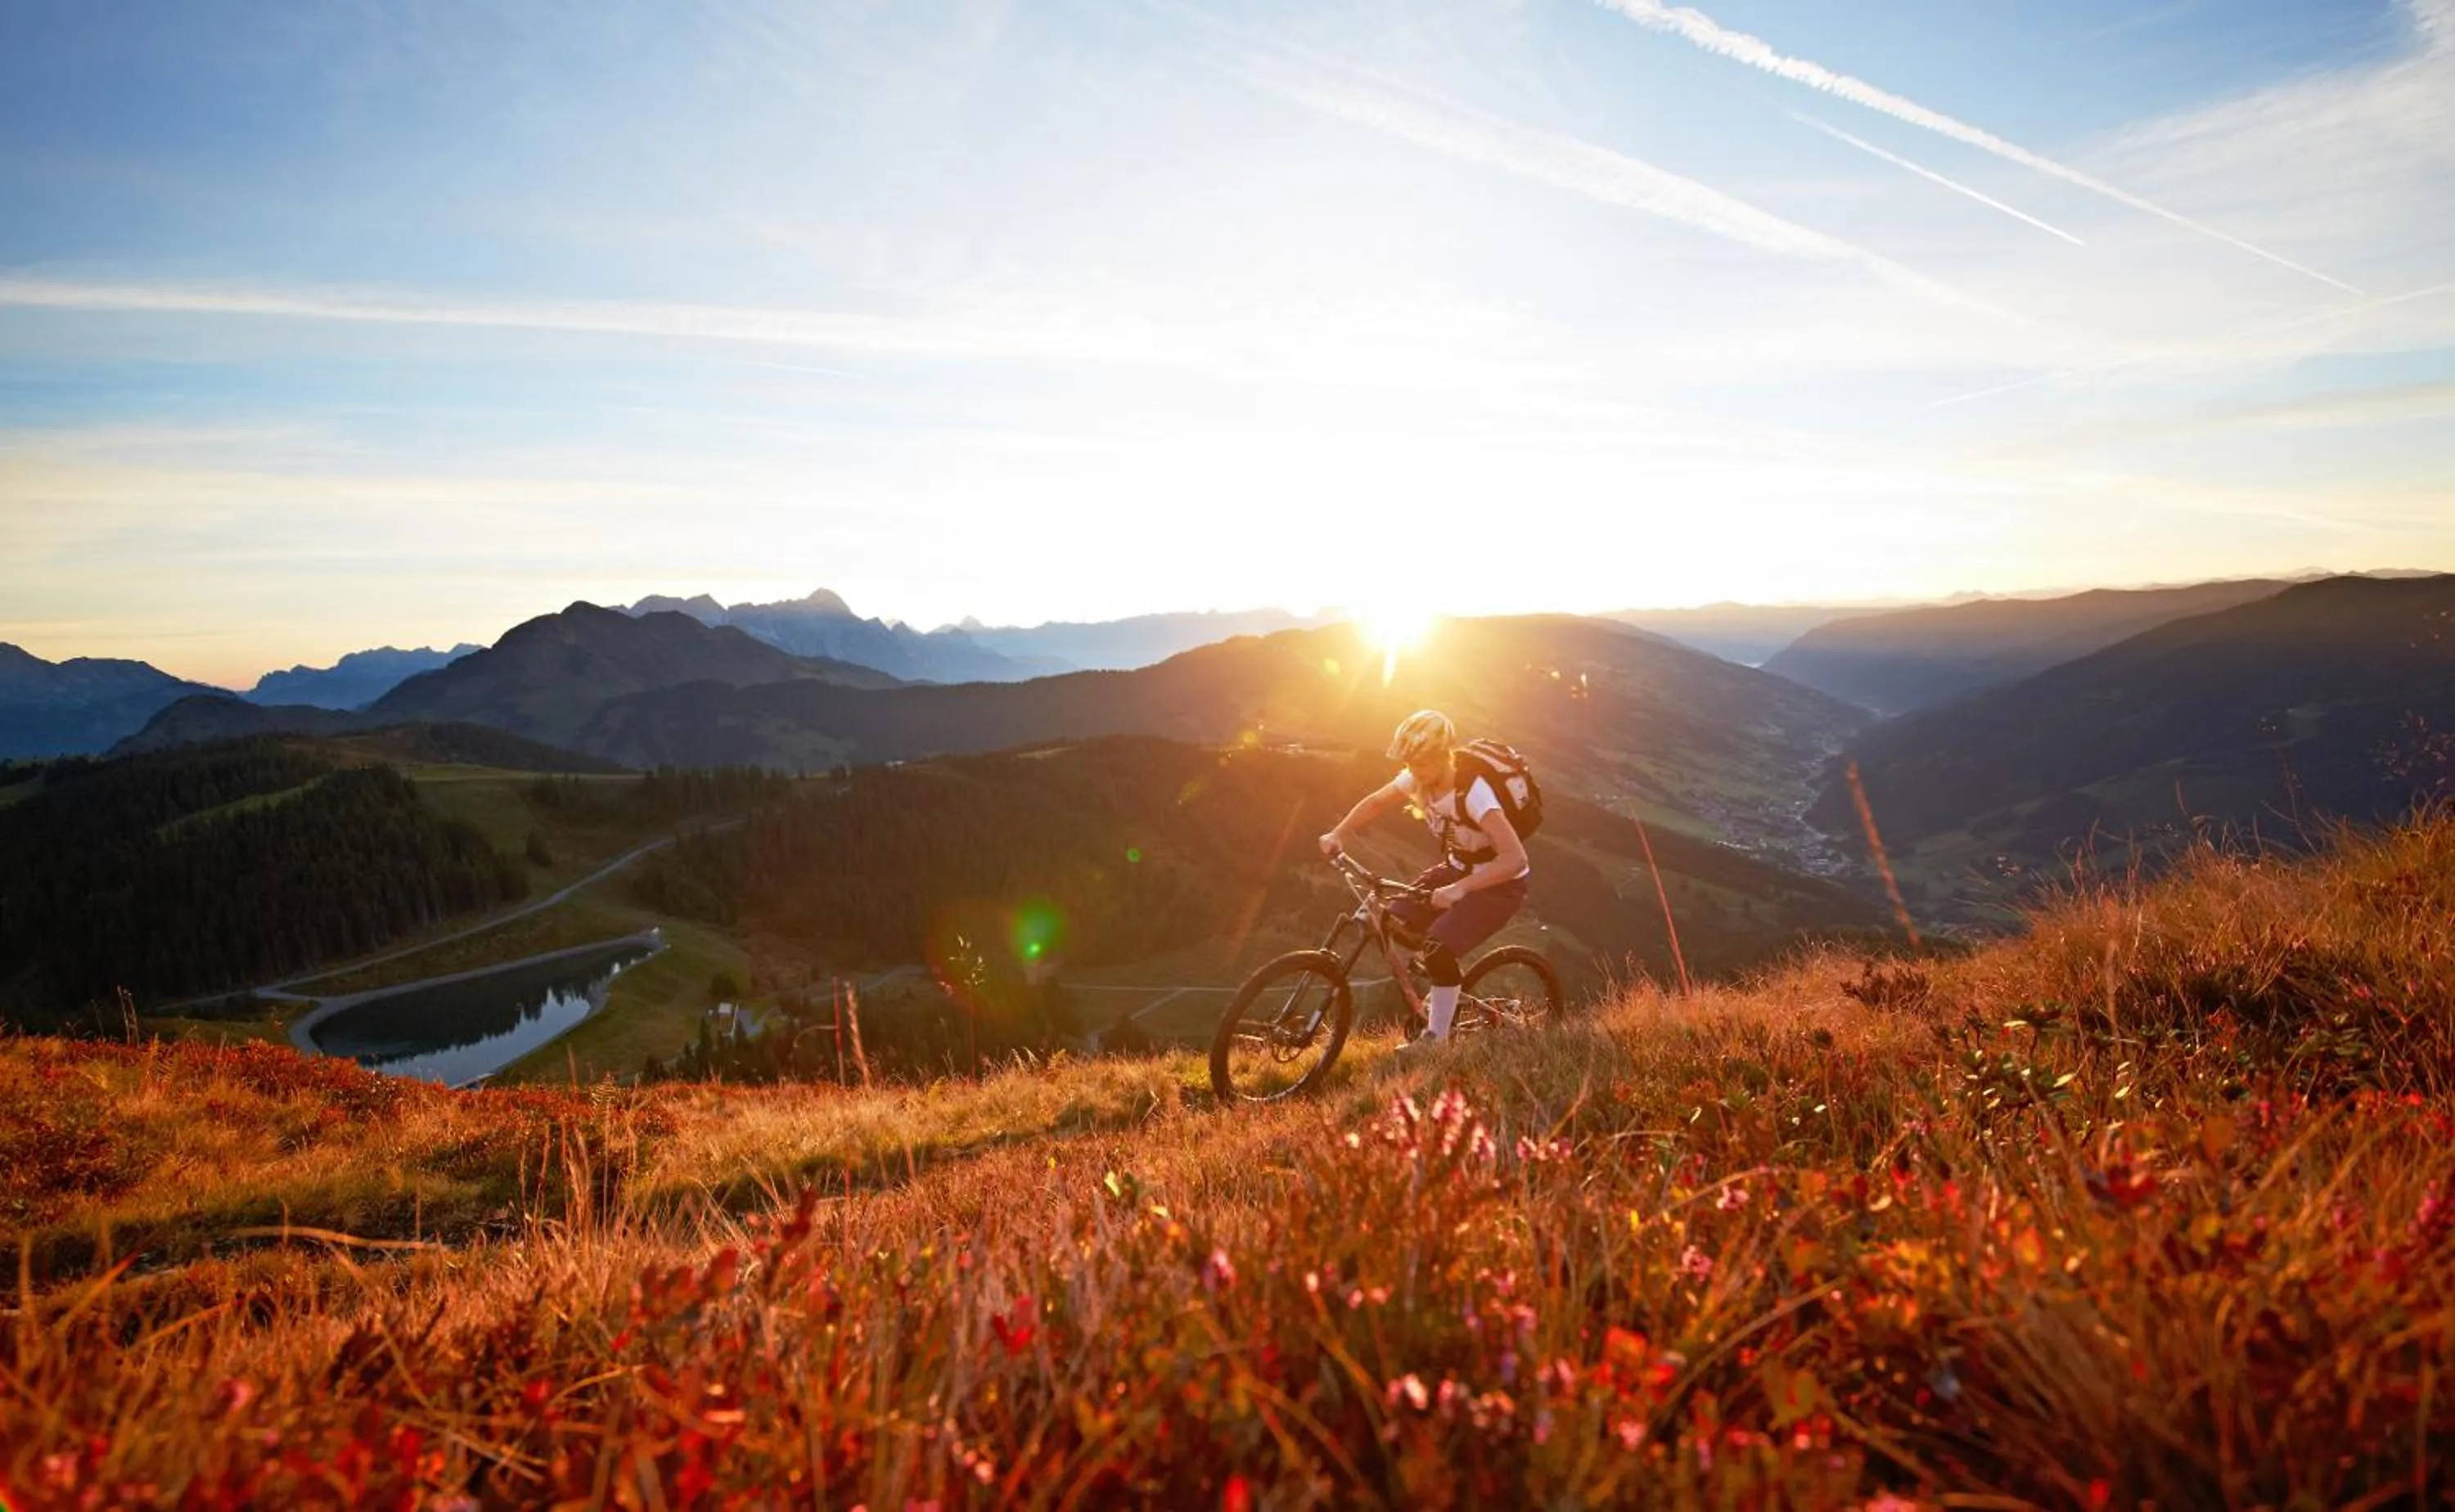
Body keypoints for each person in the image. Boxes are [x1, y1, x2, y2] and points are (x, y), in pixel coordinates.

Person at [1318, 709, 1530, 1043]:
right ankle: (1444, 987)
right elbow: (1376, 802)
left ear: (1443, 756)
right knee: (1393, 921)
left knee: (1438, 949)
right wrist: (1339, 833)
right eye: (1409, 763)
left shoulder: (1474, 794)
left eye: (1420, 763)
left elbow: (1515, 859)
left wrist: (1461, 888)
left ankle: (1436, 1040)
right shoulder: (1418, 777)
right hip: (1456, 869)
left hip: (1499, 884)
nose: (1412, 770)